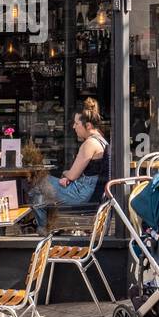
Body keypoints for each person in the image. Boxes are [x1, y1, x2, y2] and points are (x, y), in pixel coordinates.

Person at [31, 98, 109, 232]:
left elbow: (73, 174)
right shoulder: (101, 140)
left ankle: (43, 229)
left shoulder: (90, 143)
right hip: (89, 191)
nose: (74, 127)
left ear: (88, 125)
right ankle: (49, 227)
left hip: (81, 194)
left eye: (76, 123)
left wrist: (66, 174)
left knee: (37, 183)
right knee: (43, 190)